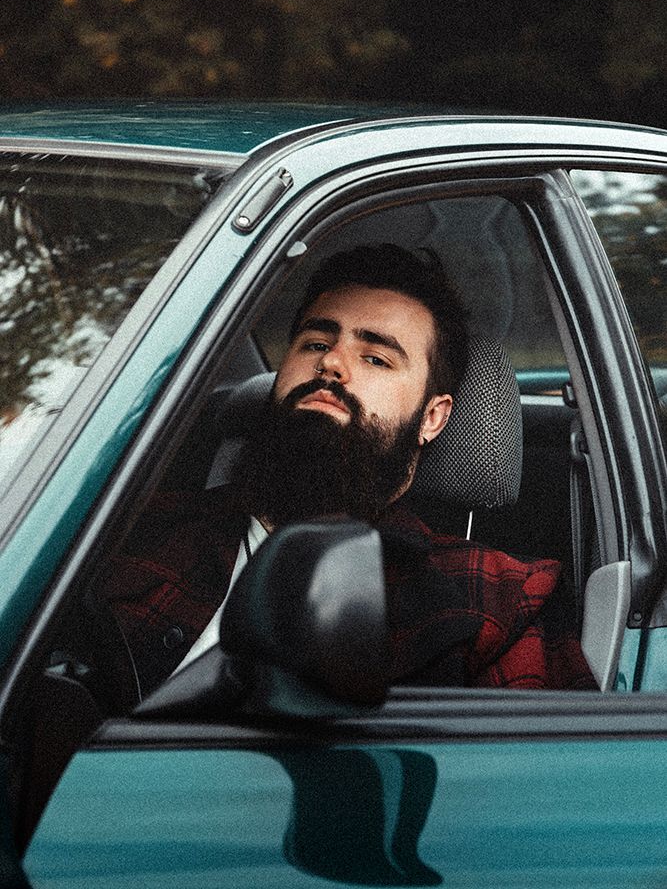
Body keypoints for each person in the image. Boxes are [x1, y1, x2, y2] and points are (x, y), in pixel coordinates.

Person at [98, 244, 596, 696]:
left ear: (432, 417)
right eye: (315, 344)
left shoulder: (495, 602)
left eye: (376, 358)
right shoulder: (130, 531)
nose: (332, 364)